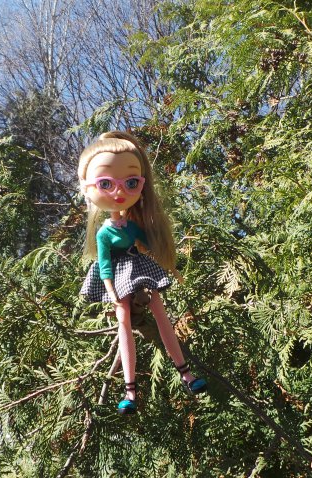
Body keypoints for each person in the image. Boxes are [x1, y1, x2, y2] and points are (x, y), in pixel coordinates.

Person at [78, 131, 207, 415]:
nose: (119, 191)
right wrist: (111, 292)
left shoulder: (133, 226)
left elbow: (152, 247)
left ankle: (186, 374)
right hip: (118, 274)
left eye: (131, 182)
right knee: (123, 321)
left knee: (162, 314)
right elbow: (105, 263)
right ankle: (130, 390)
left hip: (139, 266)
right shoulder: (103, 233)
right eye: (106, 184)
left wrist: (171, 266)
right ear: (88, 188)